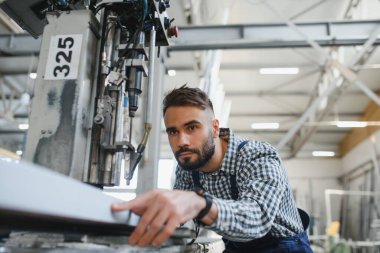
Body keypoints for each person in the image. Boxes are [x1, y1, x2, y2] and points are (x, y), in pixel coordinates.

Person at [112, 85, 313, 252]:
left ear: (215, 128)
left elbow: (258, 218)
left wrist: (201, 204)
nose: (182, 141)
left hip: (285, 247)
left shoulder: (257, 156)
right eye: (173, 131)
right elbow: (179, 214)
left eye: (192, 128)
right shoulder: (188, 166)